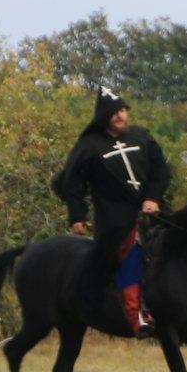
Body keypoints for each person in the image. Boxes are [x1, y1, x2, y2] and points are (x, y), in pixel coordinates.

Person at [55, 86, 169, 337]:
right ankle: (137, 315)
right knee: (132, 253)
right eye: (114, 113)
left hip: (153, 212)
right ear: (104, 117)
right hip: (116, 221)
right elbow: (70, 182)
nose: (120, 116)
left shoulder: (141, 136)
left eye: (122, 111)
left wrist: (152, 198)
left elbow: (161, 170)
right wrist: (77, 215)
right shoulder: (89, 146)